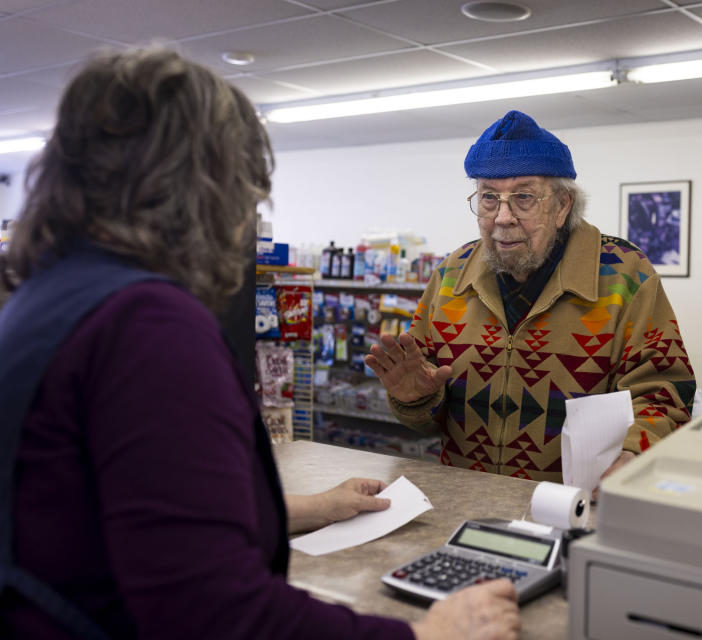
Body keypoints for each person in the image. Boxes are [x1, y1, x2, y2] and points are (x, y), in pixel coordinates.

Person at [0, 47, 519, 639]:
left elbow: (134, 512)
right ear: (209, 191)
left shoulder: (51, 298)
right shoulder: (148, 327)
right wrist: (426, 636)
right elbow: (216, 615)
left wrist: (308, 508)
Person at [366, 110, 696, 486]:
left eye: (524, 197)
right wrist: (415, 400)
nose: (503, 217)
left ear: (562, 206)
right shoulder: (450, 276)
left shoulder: (623, 275)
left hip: (571, 506)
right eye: (489, 197)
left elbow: (666, 392)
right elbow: (428, 417)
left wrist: (635, 454)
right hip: (464, 503)